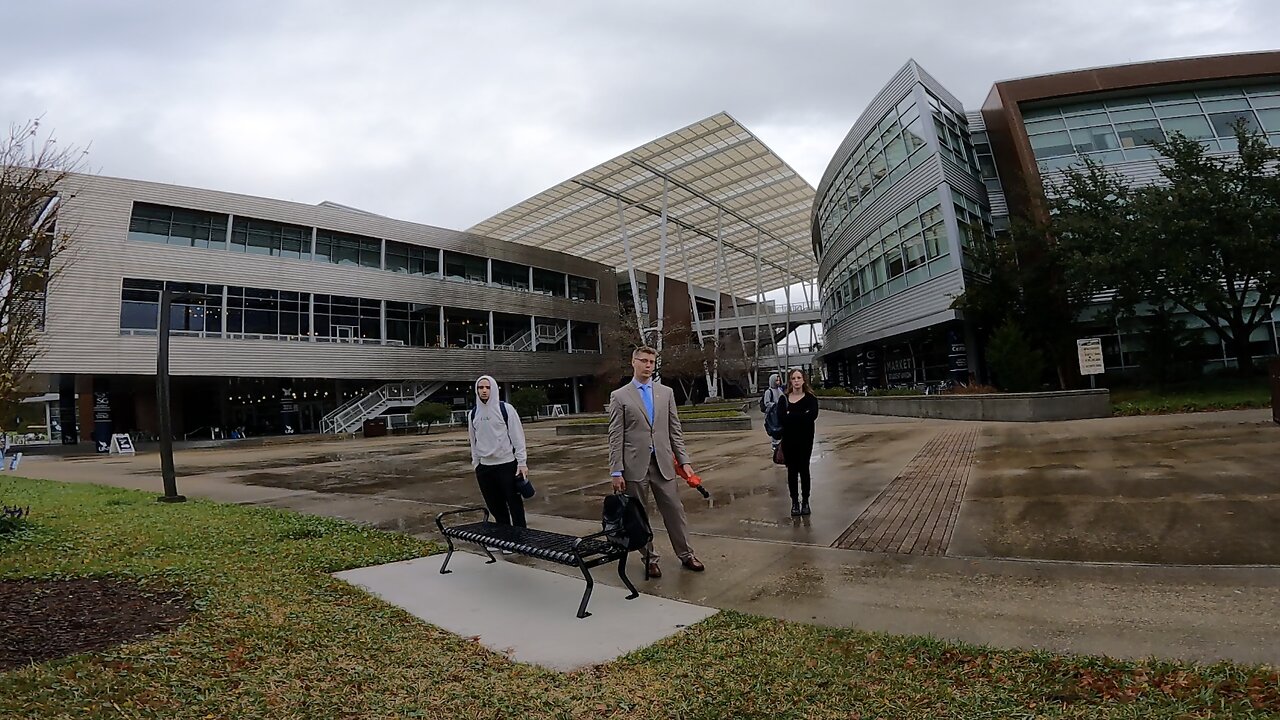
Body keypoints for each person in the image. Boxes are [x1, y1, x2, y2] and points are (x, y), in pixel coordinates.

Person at [608, 345, 705, 578]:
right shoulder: (620, 396)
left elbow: (675, 430)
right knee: (639, 515)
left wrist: (685, 461)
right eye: (644, 361)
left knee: (674, 510)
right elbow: (615, 436)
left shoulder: (666, 393)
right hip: (634, 466)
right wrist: (616, 471)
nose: (648, 365)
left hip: (663, 463)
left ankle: (686, 554)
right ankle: (649, 558)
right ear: (634, 362)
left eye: (652, 362)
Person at [467, 375, 529, 550]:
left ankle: (519, 538)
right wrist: (476, 463)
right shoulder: (473, 414)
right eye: (480, 388)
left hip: (507, 464)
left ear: (493, 388)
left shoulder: (506, 409)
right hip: (485, 467)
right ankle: (503, 538)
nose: (484, 390)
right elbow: (473, 441)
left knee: (514, 504)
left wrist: (522, 462)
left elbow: (518, 437)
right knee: (495, 505)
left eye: (487, 387)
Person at [778, 368, 819, 517]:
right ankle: (795, 502)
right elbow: (782, 418)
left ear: (803, 380)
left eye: (799, 378)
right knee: (792, 472)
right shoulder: (784, 399)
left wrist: (792, 416)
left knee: (804, 470)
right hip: (789, 441)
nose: (796, 381)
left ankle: (805, 501)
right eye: (793, 378)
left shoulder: (810, 399)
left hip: (805, 441)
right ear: (790, 381)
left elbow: (812, 416)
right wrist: (801, 416)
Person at [760, 372, 785, 451]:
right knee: (775, 428)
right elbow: (766, 403)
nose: (778, 382)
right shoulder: (769, 392)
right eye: (776, 380)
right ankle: (775, 445)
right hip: (773, 414)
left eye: (779, 380)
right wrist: (775, 405)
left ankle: (780, 444)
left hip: (780, 413)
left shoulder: (780, 390)